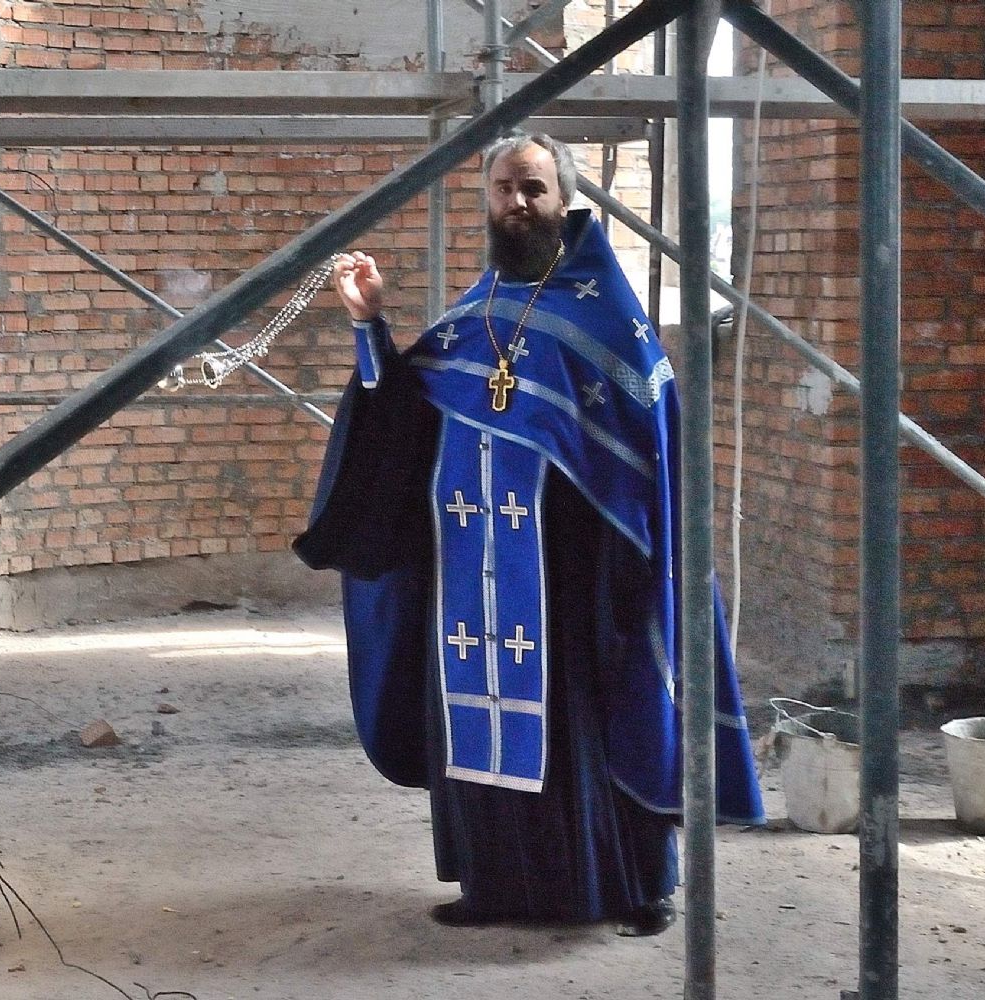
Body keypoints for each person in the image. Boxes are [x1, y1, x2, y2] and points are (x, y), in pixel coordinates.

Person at [294, 133, 763, 936]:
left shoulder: (609, 323)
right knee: (475, 724)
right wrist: (369, 325)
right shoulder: (469, 316)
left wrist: (620, 547)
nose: (518, 202)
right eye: (505, 188)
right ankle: (496, 888)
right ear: (486, 199)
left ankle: (631, 887)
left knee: (598, 720)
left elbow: (647, 457)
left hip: (572, 579)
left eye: (534, 188)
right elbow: (401, 421)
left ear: (564, 201)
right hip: (466, 575)